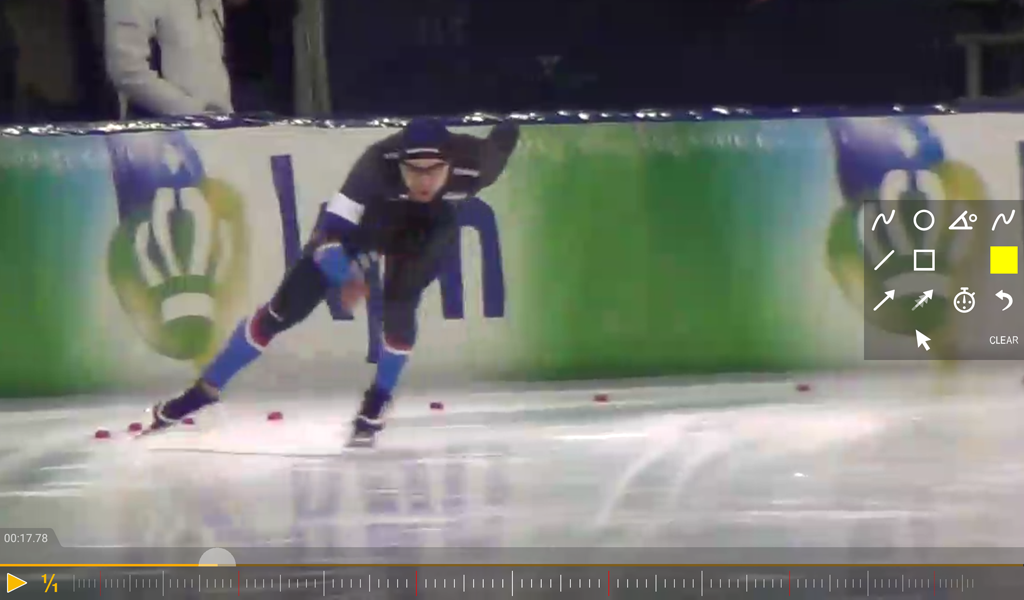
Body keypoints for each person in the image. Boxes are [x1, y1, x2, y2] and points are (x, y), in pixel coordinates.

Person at [147, 118, 521, 447]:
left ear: (452, 164)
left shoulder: (478, 164)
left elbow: (505, 137)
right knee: (282, 310)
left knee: (400, 303)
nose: (423, 180)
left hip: (429, 228)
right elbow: (328, 238)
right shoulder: (374, 165)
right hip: (368, 224)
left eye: (434, 170)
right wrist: (348, 275)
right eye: (413, 170)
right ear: (399, 163)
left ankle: (377, 400)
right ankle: (204, 391)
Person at [104, 0, 239, 118]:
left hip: (220, 125)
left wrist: (224, 114)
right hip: (160, 129)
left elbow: (214, 62)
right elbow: (127, 71)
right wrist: (195, 112)